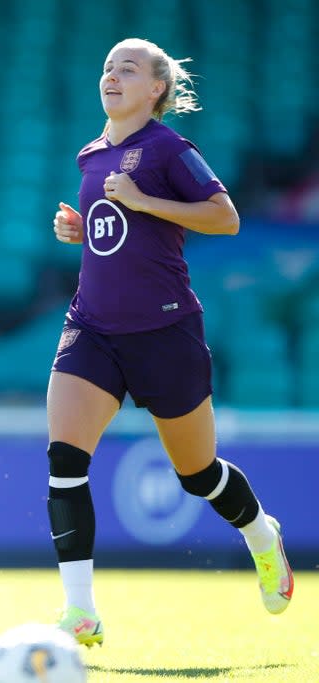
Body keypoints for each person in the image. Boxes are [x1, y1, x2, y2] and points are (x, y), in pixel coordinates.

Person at [46, 38, 293, 647]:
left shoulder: (169, 148)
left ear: (156, 89)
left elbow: (225, 216)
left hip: (164, 330)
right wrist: (84, 231)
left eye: (128, 68)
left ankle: (261, 533)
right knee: (65, 461)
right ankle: (80, 611)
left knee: (197, 473)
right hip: (93, 327)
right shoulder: (89, 156)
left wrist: (142, 201)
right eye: (107, 66)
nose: (112, 75)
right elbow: (123, 231)